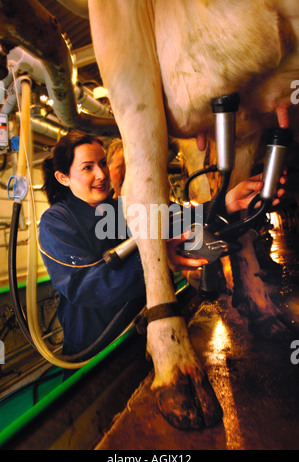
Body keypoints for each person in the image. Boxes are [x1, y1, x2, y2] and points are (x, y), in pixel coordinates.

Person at [39, 130, 286, 375]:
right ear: (63, 177)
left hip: (140, 337)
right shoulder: (57, 222)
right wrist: (158, 256)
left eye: (102, 163)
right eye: (87, 167)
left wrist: (230, 201)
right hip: (92, 354)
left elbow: (182, 219)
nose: (101, 174)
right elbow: (85, 287)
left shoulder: (122, 210)